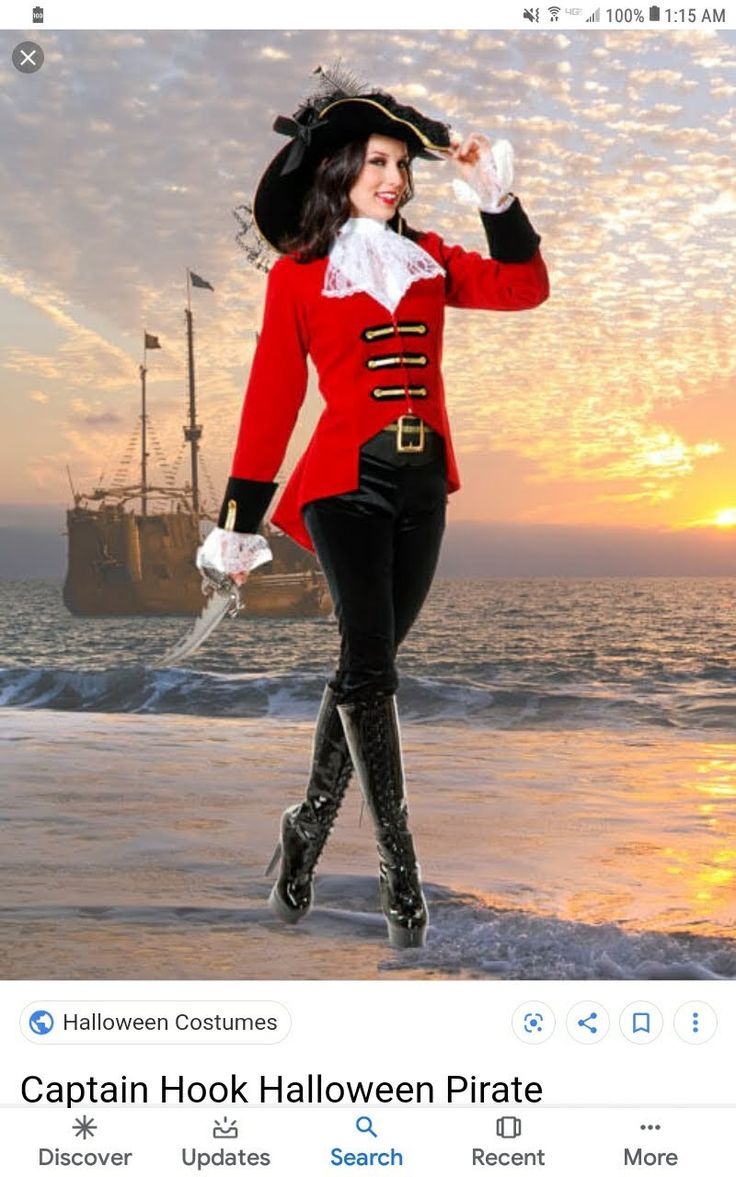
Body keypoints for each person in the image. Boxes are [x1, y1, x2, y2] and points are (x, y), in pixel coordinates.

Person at [199, 71, 549, 949]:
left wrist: (495, 200)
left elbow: (525, 288)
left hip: (422, 483)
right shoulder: (300, 275)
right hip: (341, 485)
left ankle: (305, 828)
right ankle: (402, 871)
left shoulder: (430, 256)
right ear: (341, 169)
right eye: (377, 161)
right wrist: (241, 518)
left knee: (367, 664)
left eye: (401, 162)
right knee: (370, 666)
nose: (393, 176)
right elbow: (273, 397)